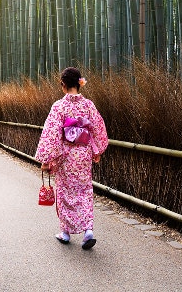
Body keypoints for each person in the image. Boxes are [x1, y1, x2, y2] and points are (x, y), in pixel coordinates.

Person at [34, 67, 108, 250]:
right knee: (84, 191)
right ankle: (88, 230)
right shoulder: (88, 105)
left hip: (67, 156)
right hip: (83, 155)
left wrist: (46, 159)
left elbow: (52, 134)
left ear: (63, 85)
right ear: (79, 83)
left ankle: (65, 233)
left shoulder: (59, 106)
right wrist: (96, 150)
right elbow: (98, 129)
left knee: (65, 192)